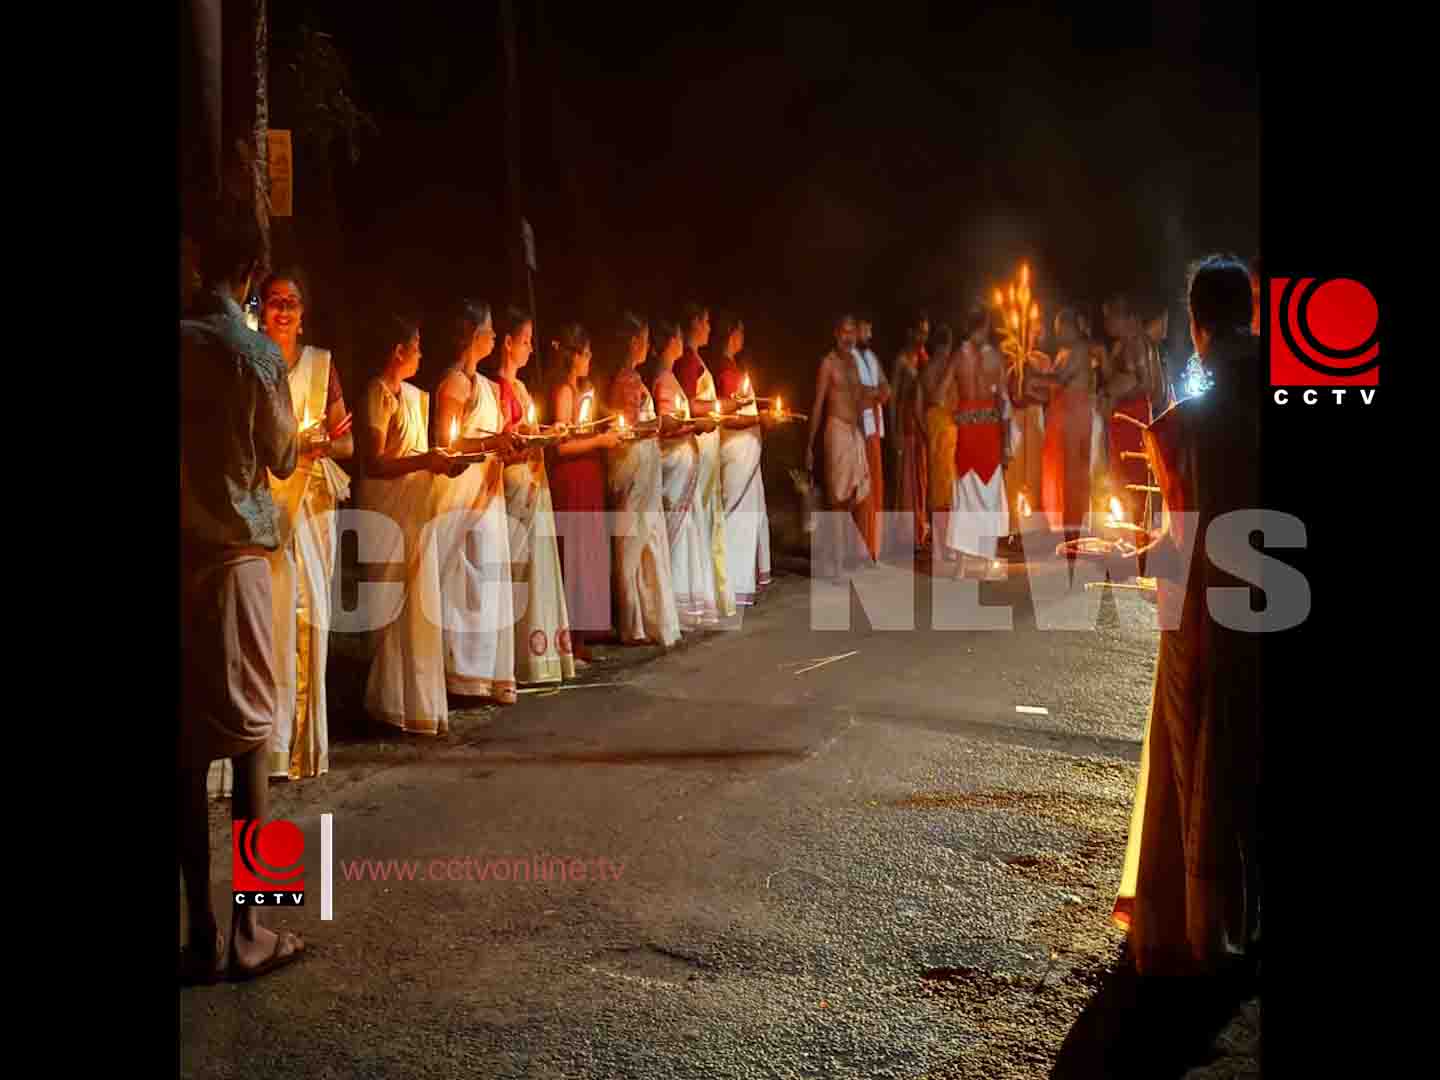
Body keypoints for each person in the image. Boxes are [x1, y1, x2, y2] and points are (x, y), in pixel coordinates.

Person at [1110, 253, 1260, 979]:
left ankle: (1198, 930)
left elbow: (1181, 545)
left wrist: (1128, 557)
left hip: (1208, 622)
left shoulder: (1184, 427)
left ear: (1197, 327)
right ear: (1251, 317)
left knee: (1199, 754)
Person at [179, 207, 304, 983]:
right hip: (235, 557)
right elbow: (284, 455)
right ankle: (250, 929)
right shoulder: (255, 354)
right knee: (254, 735)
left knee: (185, 749)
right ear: (252, 273)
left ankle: (197, 931)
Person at [255, 269, 352, 781]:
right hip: (261, 506)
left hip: (311, 508)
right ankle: (264, 748)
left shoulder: (321, 366)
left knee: (309, 620)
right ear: (261, 308)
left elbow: (347, 443)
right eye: (274, 301)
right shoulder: (249, 362)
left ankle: (300, 748)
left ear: (303, 312)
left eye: (291, 302)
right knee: (265, 625)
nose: (283, 310)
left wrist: (318, 445)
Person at [357, 316, 458, 735]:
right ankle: (389, 704)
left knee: (419, 608)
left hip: (415, 511)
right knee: (392, 607)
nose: (421, 354)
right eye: (416, 346)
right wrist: (425, 461)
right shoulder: (377, 394)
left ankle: (420, 702)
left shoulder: (413, 396)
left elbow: (417, 453)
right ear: (397, 350)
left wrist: (440, 461)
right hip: (388, 513)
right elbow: (375, 463)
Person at [432, 299, 519, 705]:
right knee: (468, 583)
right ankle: (462, 676)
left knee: (490, 581)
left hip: (490, 493)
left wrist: (512, 446)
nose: (495, 336)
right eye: (490, 329)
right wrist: (490, 444)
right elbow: (446, 444)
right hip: (463, 496)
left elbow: (494, 439)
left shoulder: (485, 385)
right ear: (473, 334)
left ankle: (486, 674)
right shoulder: (454, 383)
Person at [490, 307, 578, 684]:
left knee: (540, 566)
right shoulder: (493, 389)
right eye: (524, 341)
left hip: (535, 480)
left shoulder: (523, 389)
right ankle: (513, 660)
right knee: (516, 569)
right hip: (513, 482)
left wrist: (548, 432)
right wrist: (525, 440)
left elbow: (530, 429)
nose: (529, 348)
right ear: (507, 343)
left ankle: (543, 656)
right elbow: (501, 441)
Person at [547, 323, 624, 661]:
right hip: (573, 475)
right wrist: (600, 441)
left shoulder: (584, 388)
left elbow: (591, 420)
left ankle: (585, 632)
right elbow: (562, 446)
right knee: (575, 551)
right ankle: (572, 636)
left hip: (588, 471)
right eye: (587, 353)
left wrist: (612, 424)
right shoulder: (564, 391)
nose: (590, 359)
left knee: (589, 549)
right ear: (574, 355)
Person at [607, 313, 681, 646]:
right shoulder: (626, 380)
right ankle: (632, 621)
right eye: (645, 340)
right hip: (635, 463)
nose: (648, 346)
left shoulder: (632, 377)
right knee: (633, 540)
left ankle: (648, 619)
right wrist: (660, 424)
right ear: (634, 342)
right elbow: (627, 427)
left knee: (647, 537)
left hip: (644, 460)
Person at [674, 303, 737, 619]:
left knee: (711, 516)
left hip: (709, 444)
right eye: (707, 321)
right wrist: (720, 405)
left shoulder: (696, 360)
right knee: (702, 516)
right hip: (699, 442)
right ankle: (700, 595)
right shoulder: (688, 362)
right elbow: (686, 406)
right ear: (695, 322)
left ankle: (713, 592)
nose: (710, 328)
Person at [652, 318, 715, 627]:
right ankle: (677, 606)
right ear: (671, 343)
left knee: (688, 531)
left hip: (684, 461)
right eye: (677, 338)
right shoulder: (663, 380)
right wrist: (695, 424)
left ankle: (690, 602)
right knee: (677, 534)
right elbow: (665, 423)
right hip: (674, 462)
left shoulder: (670, 378)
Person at [804, 314, 874, 579]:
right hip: (835, 430)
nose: (848, 337)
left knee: (856, 497)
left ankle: (842, 558)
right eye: (844, 332)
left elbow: (861, 398)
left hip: (854, 432)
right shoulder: (828, 363)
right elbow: (818, 404)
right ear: (836, 334)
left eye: (852, 332)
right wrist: (809, 445)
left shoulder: (856, 363)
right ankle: (836, 566)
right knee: (837, 499)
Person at [710, 313, 772, 606]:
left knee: (751, 515)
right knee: (737, 515)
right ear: (732, 335)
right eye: (741, 333)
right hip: (736, 452)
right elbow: (725, 416)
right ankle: (733, 586)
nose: (742, 338)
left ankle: (745, 582)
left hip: (747, 452)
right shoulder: (724, 371)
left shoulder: (733, 368)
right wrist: (757, 419)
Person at [946, 307, 1010, 577]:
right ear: (985, 326)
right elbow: (1004, 402)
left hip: (968, 433)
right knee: (988, 496)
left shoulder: (957, 357)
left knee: (965, 496)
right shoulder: (995, 357)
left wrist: (959, 412)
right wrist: (1007, 442)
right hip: (988, 433)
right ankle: (985, 566)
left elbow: (939, 394)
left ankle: (961, 568)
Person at [1036, 308, 1101, 536]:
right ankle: (1066, 529)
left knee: (1074, 476)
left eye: (1059, 329)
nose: (1057, 334)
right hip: (1063, 418)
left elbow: (1060, 379)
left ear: (1069, 327)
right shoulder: (1064, 352)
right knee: (1061, 475)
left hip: (1077, 416)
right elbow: (1052, 387)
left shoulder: (1080, 349)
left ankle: (1074, 531)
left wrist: (1032, 377)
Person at [1101, 294, 1165, 524]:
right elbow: (1115, 380)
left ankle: (1139, 524)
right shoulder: (1122, 345)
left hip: (1133, 415)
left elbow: (1147, 385)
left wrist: (1117, 397)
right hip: (1123, 415)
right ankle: (1130, 523)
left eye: (1110, 318)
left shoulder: (1138, 343)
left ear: (1125, 318)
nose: (1106, 324)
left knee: (1135, 470)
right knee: (1122, 471)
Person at [1004, 316, 1050, 538]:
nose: (1035, 335)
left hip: (1034, 418)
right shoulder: (1011, 358)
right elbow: (1008, 391)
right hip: (1016, 420)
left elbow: (1048, 392)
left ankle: (1034, 527)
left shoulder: (1043, 360)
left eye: (1038, 331)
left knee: (1035, 472)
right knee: (1014, 472)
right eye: (1032, 330)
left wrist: (1030, 394)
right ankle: (1013, 526)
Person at [889, 313, 930, 552]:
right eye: (921, 332)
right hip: (906, 423)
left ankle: (920, 531)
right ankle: (905, 537)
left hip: (921, 423)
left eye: (926, 332)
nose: (924, 336)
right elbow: (893, 398)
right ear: (911, 333)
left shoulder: (923, 356)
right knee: (907, 481)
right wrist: (893, 431)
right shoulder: (902, 360)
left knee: (921, 479)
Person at [851, 316, 892, 562]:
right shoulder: (849, 358)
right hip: (858, 429)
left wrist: (878, 393)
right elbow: (858, 392)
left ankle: (873, 548)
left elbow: (885, 387)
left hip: (873, 428)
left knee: (876, 486)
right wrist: (875, 393)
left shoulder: (872, 358)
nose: (869, 334)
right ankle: (859, 549)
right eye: (865, 329)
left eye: (870, 330)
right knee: (861, 489)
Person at [921, 324, 960, 562]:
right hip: (946, 424)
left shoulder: (925, 369)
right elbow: (948, 397)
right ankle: (948, 545)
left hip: (932, 425)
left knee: (936, 488)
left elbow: (920, 403)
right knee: (948, 489)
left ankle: (938, 547)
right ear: (948, 345)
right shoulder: (948, 367)